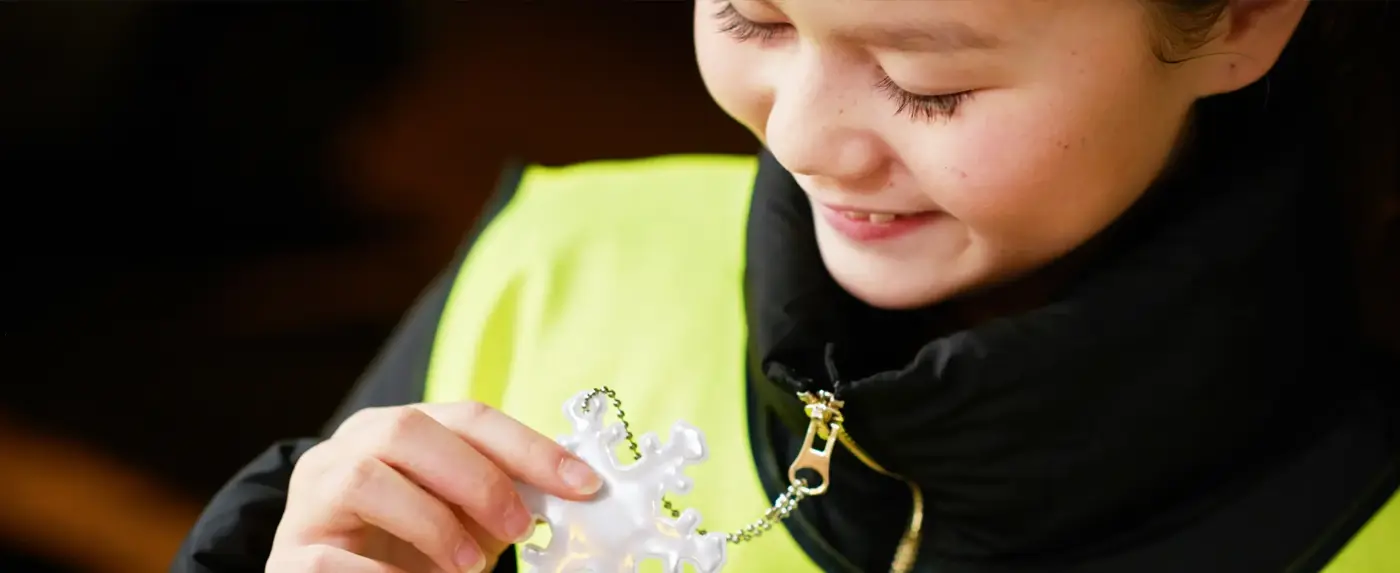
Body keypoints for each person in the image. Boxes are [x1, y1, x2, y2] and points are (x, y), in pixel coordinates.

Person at [172, 1, 1400, 572]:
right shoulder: (560, 255)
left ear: (1239, 20)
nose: (803, 139)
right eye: (754, 19)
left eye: (927, 81)